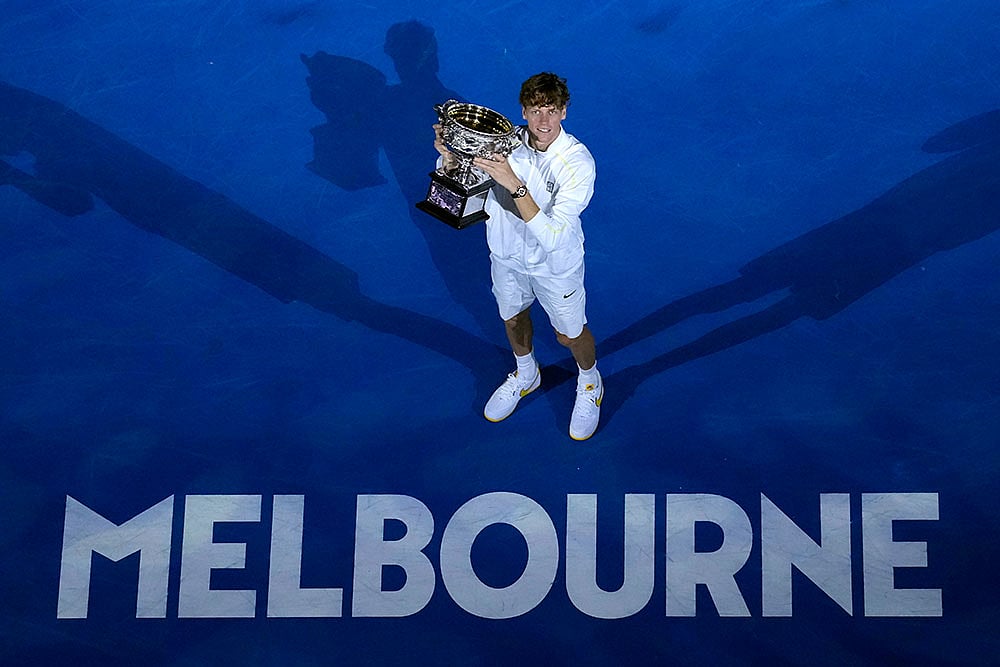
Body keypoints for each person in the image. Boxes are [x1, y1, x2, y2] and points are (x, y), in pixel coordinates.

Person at [434, 72, 602, 440]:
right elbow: (461, 203)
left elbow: (554, 237)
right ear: (523, 112)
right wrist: (449, 162)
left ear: (564, 113)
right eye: (536, 110)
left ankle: (590, 383)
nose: (543, 121)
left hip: (555, 267)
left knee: (569, 335)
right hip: (506, 258)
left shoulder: (578, 162)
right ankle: (527, 374)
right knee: (512, 319)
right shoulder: (502, 145)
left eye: (552, 111)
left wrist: (514, 183)